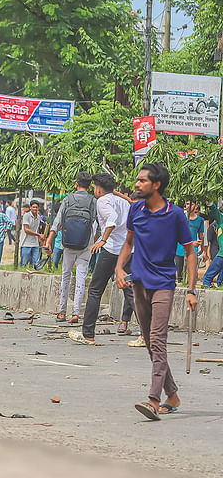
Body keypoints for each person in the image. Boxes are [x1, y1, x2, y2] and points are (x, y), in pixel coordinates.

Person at [113, 163, 197, 421]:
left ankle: (153, 399)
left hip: (163, 284)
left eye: (142, 181)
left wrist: (192, 290)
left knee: (158, 340)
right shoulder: (135, 209)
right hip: (138, 283)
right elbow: (129, 243)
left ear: (156, 185)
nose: (136, 184)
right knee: (150, 342)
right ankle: (172, 394)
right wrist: (118, 268)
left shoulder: (176, 215)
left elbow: (191, 252)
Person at [69, 173, 135, 344]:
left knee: (96, 290)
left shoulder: (102, 201)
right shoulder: (122, 201)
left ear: (98, 189)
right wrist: (118, 193)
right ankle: (147, 333)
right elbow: (130, 205)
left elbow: (111, 220)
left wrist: (103, 239)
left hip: (111, 249)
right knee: (130, 291)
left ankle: (88, 334)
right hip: (127, 250)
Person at [45, 172, 96, 323]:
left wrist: (49, 240)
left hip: (67, 243)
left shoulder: (67, 199)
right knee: (81, 278)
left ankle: (62, 312)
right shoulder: (93, 201)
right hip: (86, 244)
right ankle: (75, 314)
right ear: (90, 186)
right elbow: (95, 222)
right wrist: (95, 241)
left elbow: (58, 221)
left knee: (66, 276)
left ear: (76, 184)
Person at [175, 202, 204, 282]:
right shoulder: (180, 217)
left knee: (191, 274)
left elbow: (201, 235)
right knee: (180, 275)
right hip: (179, 249)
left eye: (191, 204)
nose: (188, 206)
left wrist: (202, 249)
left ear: (196, 206)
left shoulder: (200, 220)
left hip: (193, 250)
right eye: (187, 204)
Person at [202, 202, 223, 288]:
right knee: (209, 277)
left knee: (209, 277)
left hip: (221, 255)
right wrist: (210, 203)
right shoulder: (221, 219)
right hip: (221, 254)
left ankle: (217, 284)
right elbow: (215, 211)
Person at [20, 200, 45, 267]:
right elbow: (26, 230)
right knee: (24, 264)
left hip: (35, 243)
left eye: (36, 207)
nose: (35, 209)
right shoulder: (26, 216)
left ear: (38, 208)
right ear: (30, 207)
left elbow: (37, 229)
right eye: (33, 207)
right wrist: (38, 235)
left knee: (36, 263)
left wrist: (40, 238)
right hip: (26, 243)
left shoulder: (39, 217)